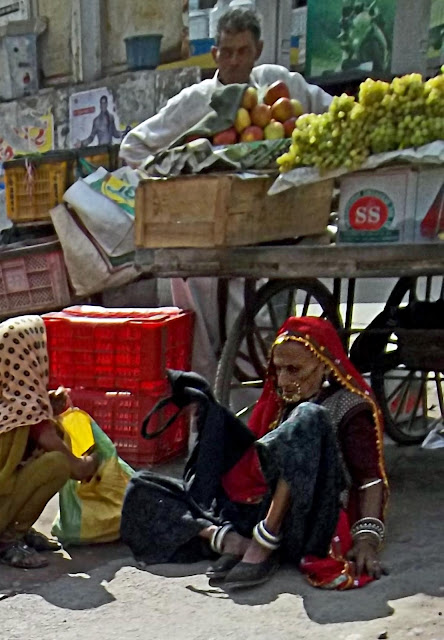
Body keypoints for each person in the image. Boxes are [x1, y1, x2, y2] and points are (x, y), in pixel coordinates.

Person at [119, 8, 333, 385]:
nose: (235, 61)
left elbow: (332, 118)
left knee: (264, 332)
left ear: (258, 50)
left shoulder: (280, 86)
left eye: (243, 52)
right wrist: (177, 180)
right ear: (215, 53)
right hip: (204, 238)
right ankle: (208, 408)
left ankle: (264, 406)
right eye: (227, 52)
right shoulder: (195, 100)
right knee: (199, 335)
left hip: (271, 230)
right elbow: (133, 148)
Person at [121, 316, 389, 590]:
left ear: (324, 365)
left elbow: (370, 480)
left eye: (294, 370)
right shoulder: (279, 402)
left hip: (306, 519)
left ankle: (263, 545)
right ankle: (231, 541)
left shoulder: (348, 407)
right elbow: (254, 467)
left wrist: (366, 540)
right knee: (142, 486)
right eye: (279, 369)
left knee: (309, 417)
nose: (283, 380)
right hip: (256, 510)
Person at [0, 315, 99, 569]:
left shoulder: (10, 396)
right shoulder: (25, 407)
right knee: (56, 463)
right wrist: (89, 463)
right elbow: (59, 452)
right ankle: (9, 538)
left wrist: (48, 410)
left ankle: (17, 527)